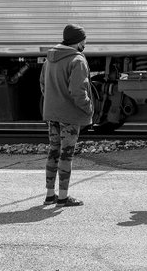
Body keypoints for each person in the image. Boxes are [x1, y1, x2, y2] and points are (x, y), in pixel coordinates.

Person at [40, 24, 92, 207]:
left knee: (53, 151)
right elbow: (79, 91)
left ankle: (49, 195)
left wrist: (54, 103)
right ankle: (63, 197)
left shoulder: (49, 59)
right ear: (78, 41)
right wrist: (88, 109)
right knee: (66, 154)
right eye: (84, 39)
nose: (86, 42)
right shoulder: (77, 60)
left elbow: (43, 86)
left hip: (52, 113)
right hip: (69, 115)